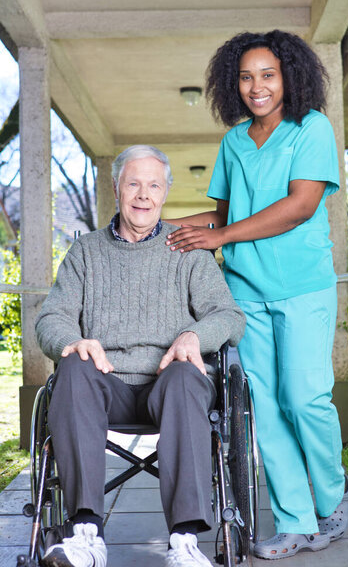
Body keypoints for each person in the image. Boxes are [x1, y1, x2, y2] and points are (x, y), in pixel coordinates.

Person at [166, 30, 348, 560]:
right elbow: (221, 217)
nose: (257, 86)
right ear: (233, 84)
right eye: (246, 77)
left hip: (302, 287)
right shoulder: (234, 142)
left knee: (304, 397)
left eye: (268, 74)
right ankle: (293, 520)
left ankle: (332, 499)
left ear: (289, 77)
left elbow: (300, 205)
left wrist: (220, 237)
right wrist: (162, 227)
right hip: (245, 291)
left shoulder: (311, 129)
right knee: (264, 409)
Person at [35, 144, 246, 567]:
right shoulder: (85, 252)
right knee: (73, 368)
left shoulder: (188, 252)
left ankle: (184, 543)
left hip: (168, 382)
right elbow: (51, 317)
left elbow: (229, 316)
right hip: (105, 381)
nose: (143, 194)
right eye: (133, 183)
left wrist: (193, 334)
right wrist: (72, 342)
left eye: (153, 185)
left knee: (189, 376)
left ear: (165, 193)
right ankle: (85, 534)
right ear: (117, 189)